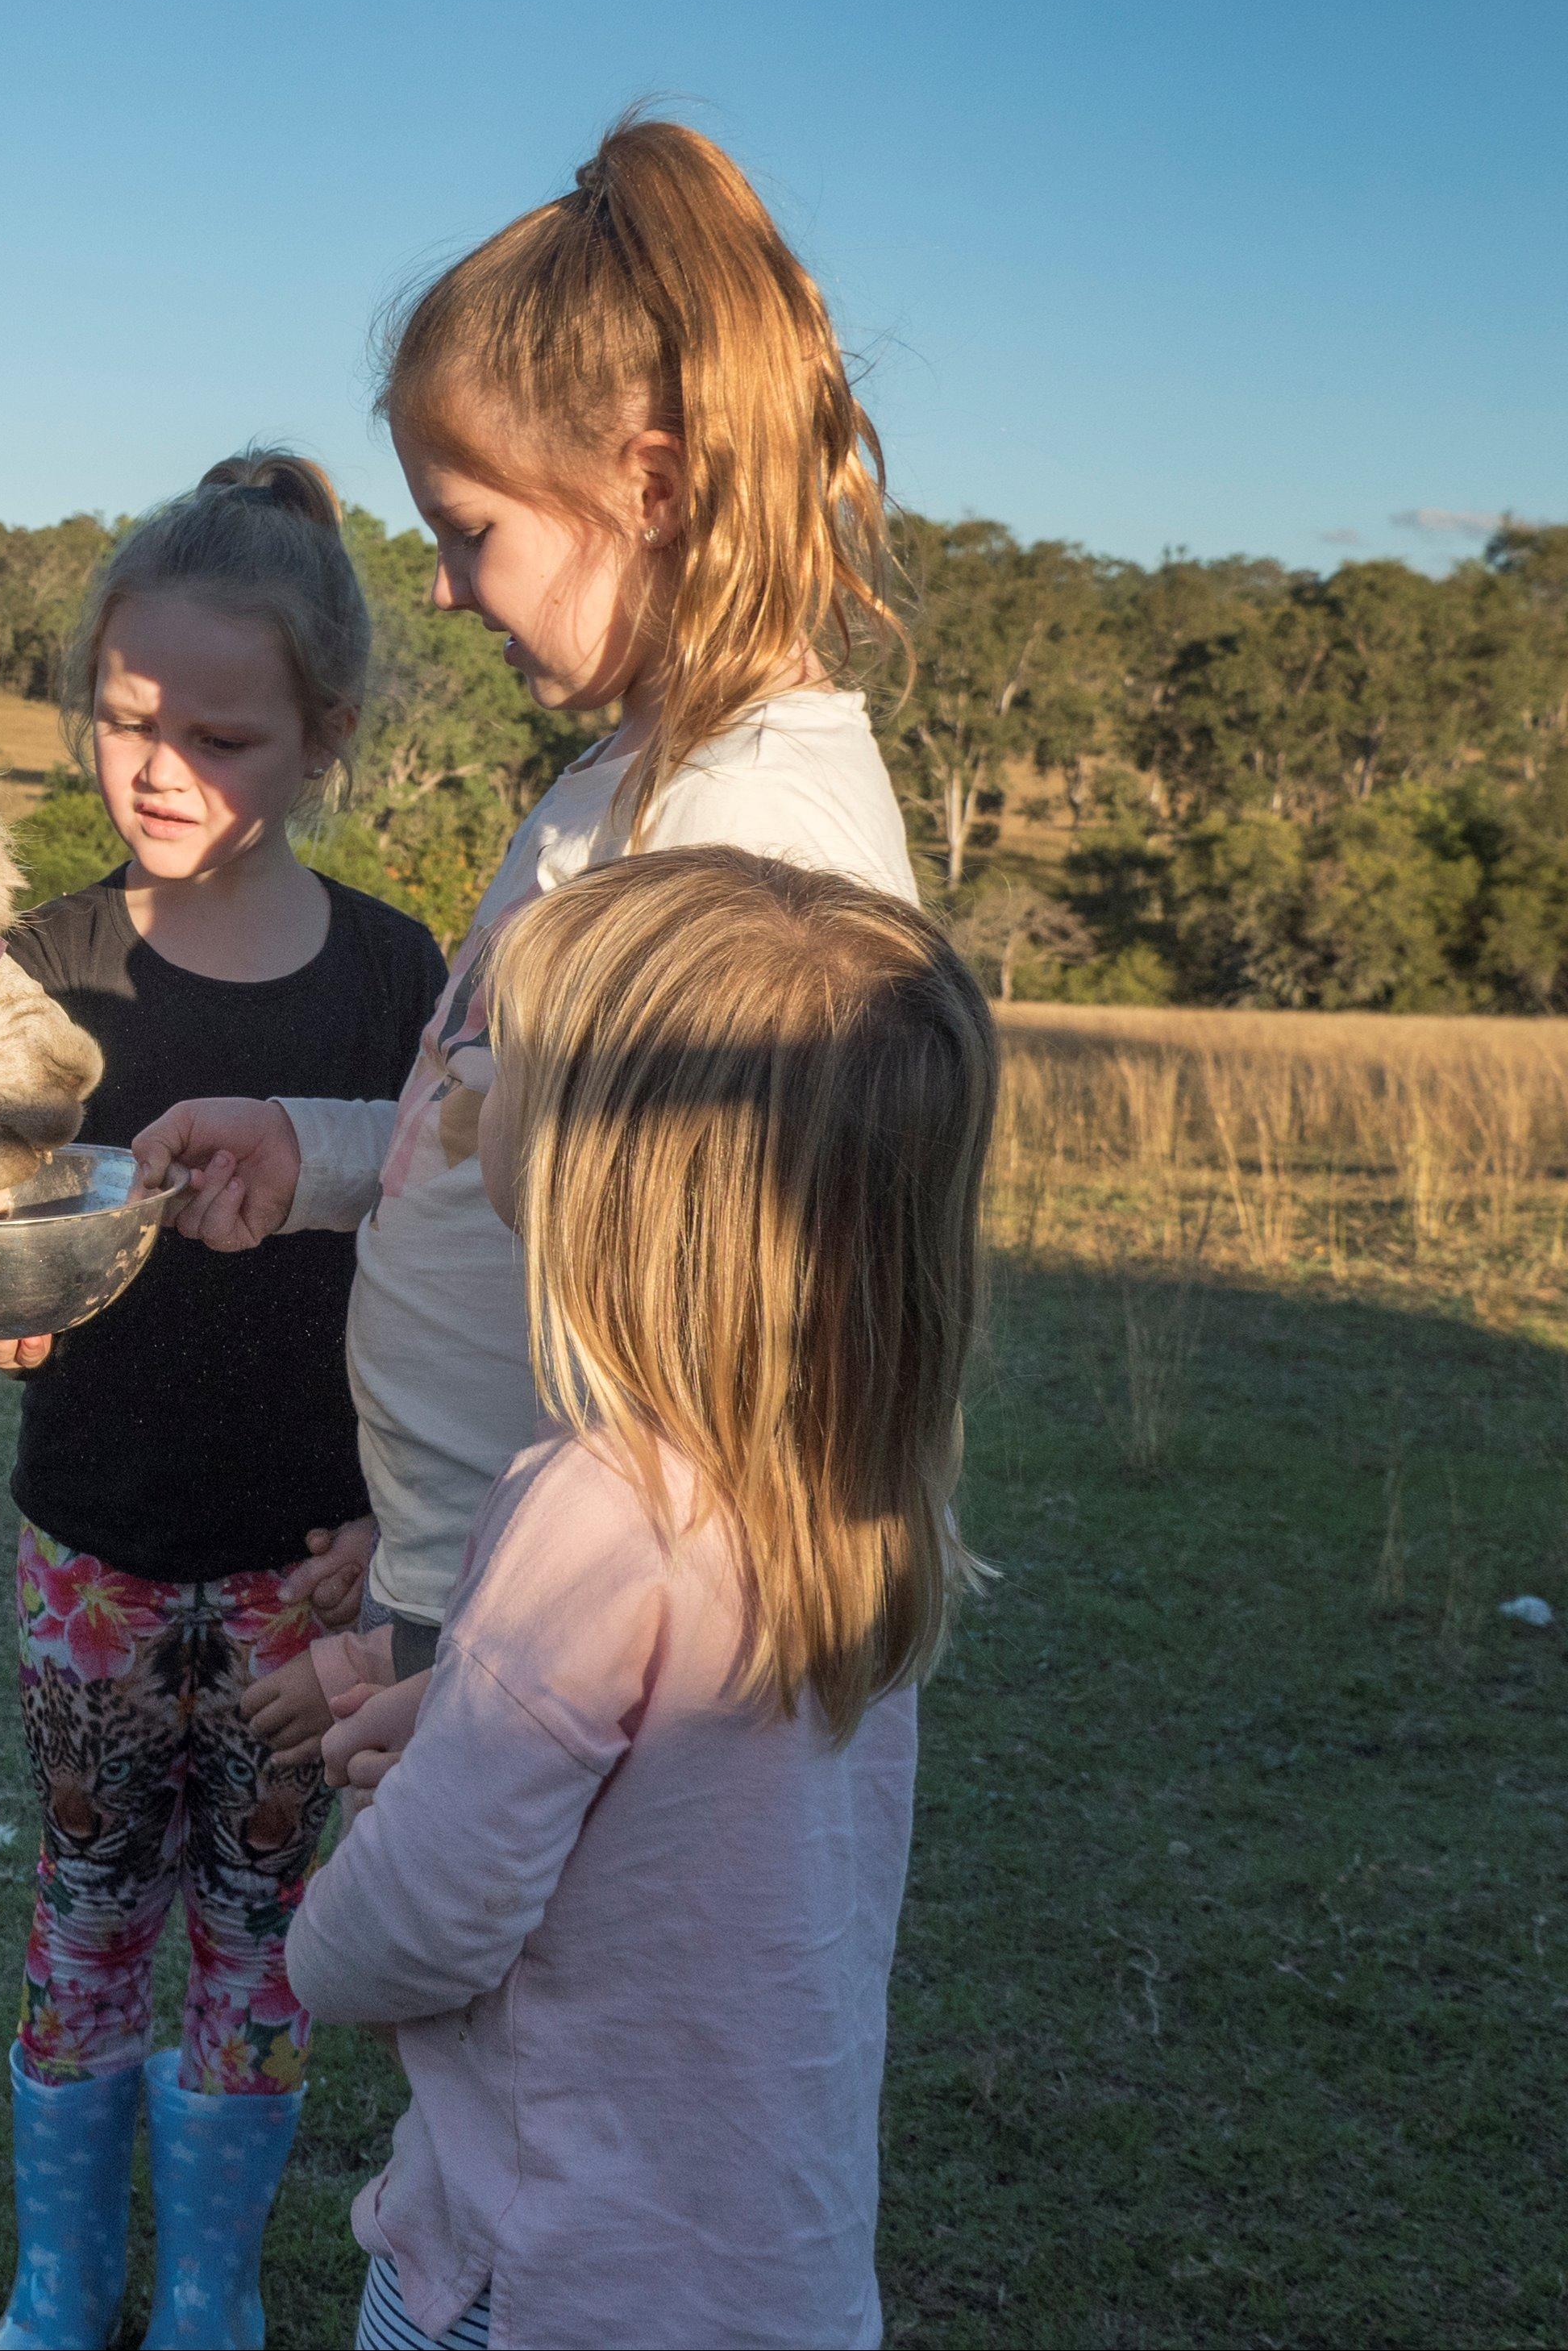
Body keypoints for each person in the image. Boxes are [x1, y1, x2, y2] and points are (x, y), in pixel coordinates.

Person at [131, 114, 924, 1793]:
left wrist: (519, 1678)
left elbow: (732, 1389)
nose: (435, 588)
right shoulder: (610, 790)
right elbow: (495, 1125)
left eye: (471, 528)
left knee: (535, 2061)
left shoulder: (754, 851)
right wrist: (316, 1148)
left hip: (597, 1669)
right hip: (491, 1607)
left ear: (646, 484)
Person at [288, 846, 993, 2349]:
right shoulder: (853, 1493)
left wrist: (330, 1899)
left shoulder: (598, 1504)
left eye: (516, 1063)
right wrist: (458, 1705)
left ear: (608, 1163)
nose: (480, 1075)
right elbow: (682, 1794)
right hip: (777, 2281)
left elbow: (421, 1921)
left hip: (536, 2277)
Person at [0, 456, 446, 2351]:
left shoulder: (399, 977)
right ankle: (61, 2290)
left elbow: (440, 1270)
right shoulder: (46, 968)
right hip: (87, 1541)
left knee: (261, 1933)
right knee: (87, 1900)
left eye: (220, 733)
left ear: (324, 739)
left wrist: (392, 1532)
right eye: (122, 715)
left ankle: (212, 2296)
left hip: (305, 1580)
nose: (155, 767)